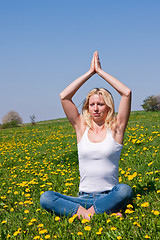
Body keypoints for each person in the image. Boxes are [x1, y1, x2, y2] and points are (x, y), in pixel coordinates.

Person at [40, 51, 133, 220]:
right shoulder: (81, 127)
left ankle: (83, 215)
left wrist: (101, 72)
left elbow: (126, 92)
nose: (96, 108)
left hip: (109, 195)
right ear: (87, 107)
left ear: (108, 107)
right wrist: (90, 72)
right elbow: (64, 96)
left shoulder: (116, 128)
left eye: (100, 104)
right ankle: (98, 213)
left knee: (125, 190)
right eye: (92, 104)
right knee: (46, 197)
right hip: (81, 197)